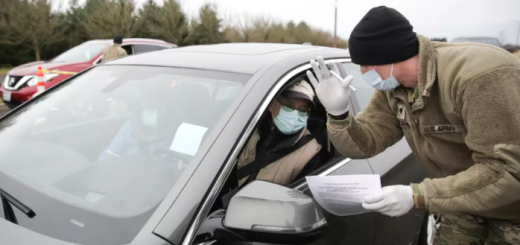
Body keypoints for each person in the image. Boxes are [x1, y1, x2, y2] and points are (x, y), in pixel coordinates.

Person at [307, 6, 520, 245]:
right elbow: (366, 143)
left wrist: (418, 195)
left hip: (512, 209)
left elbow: (509, 171)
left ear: (388, 55)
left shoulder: (479, 77)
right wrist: (339, 115)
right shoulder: (394, 90)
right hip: (461, 203)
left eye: (365, 65)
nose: (362, 72)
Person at [237, 80, 322, 187]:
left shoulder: (310, 154)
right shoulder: (248, 128)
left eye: (303, 110)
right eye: (288, 106)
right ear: (272, 105)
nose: (295, 115)